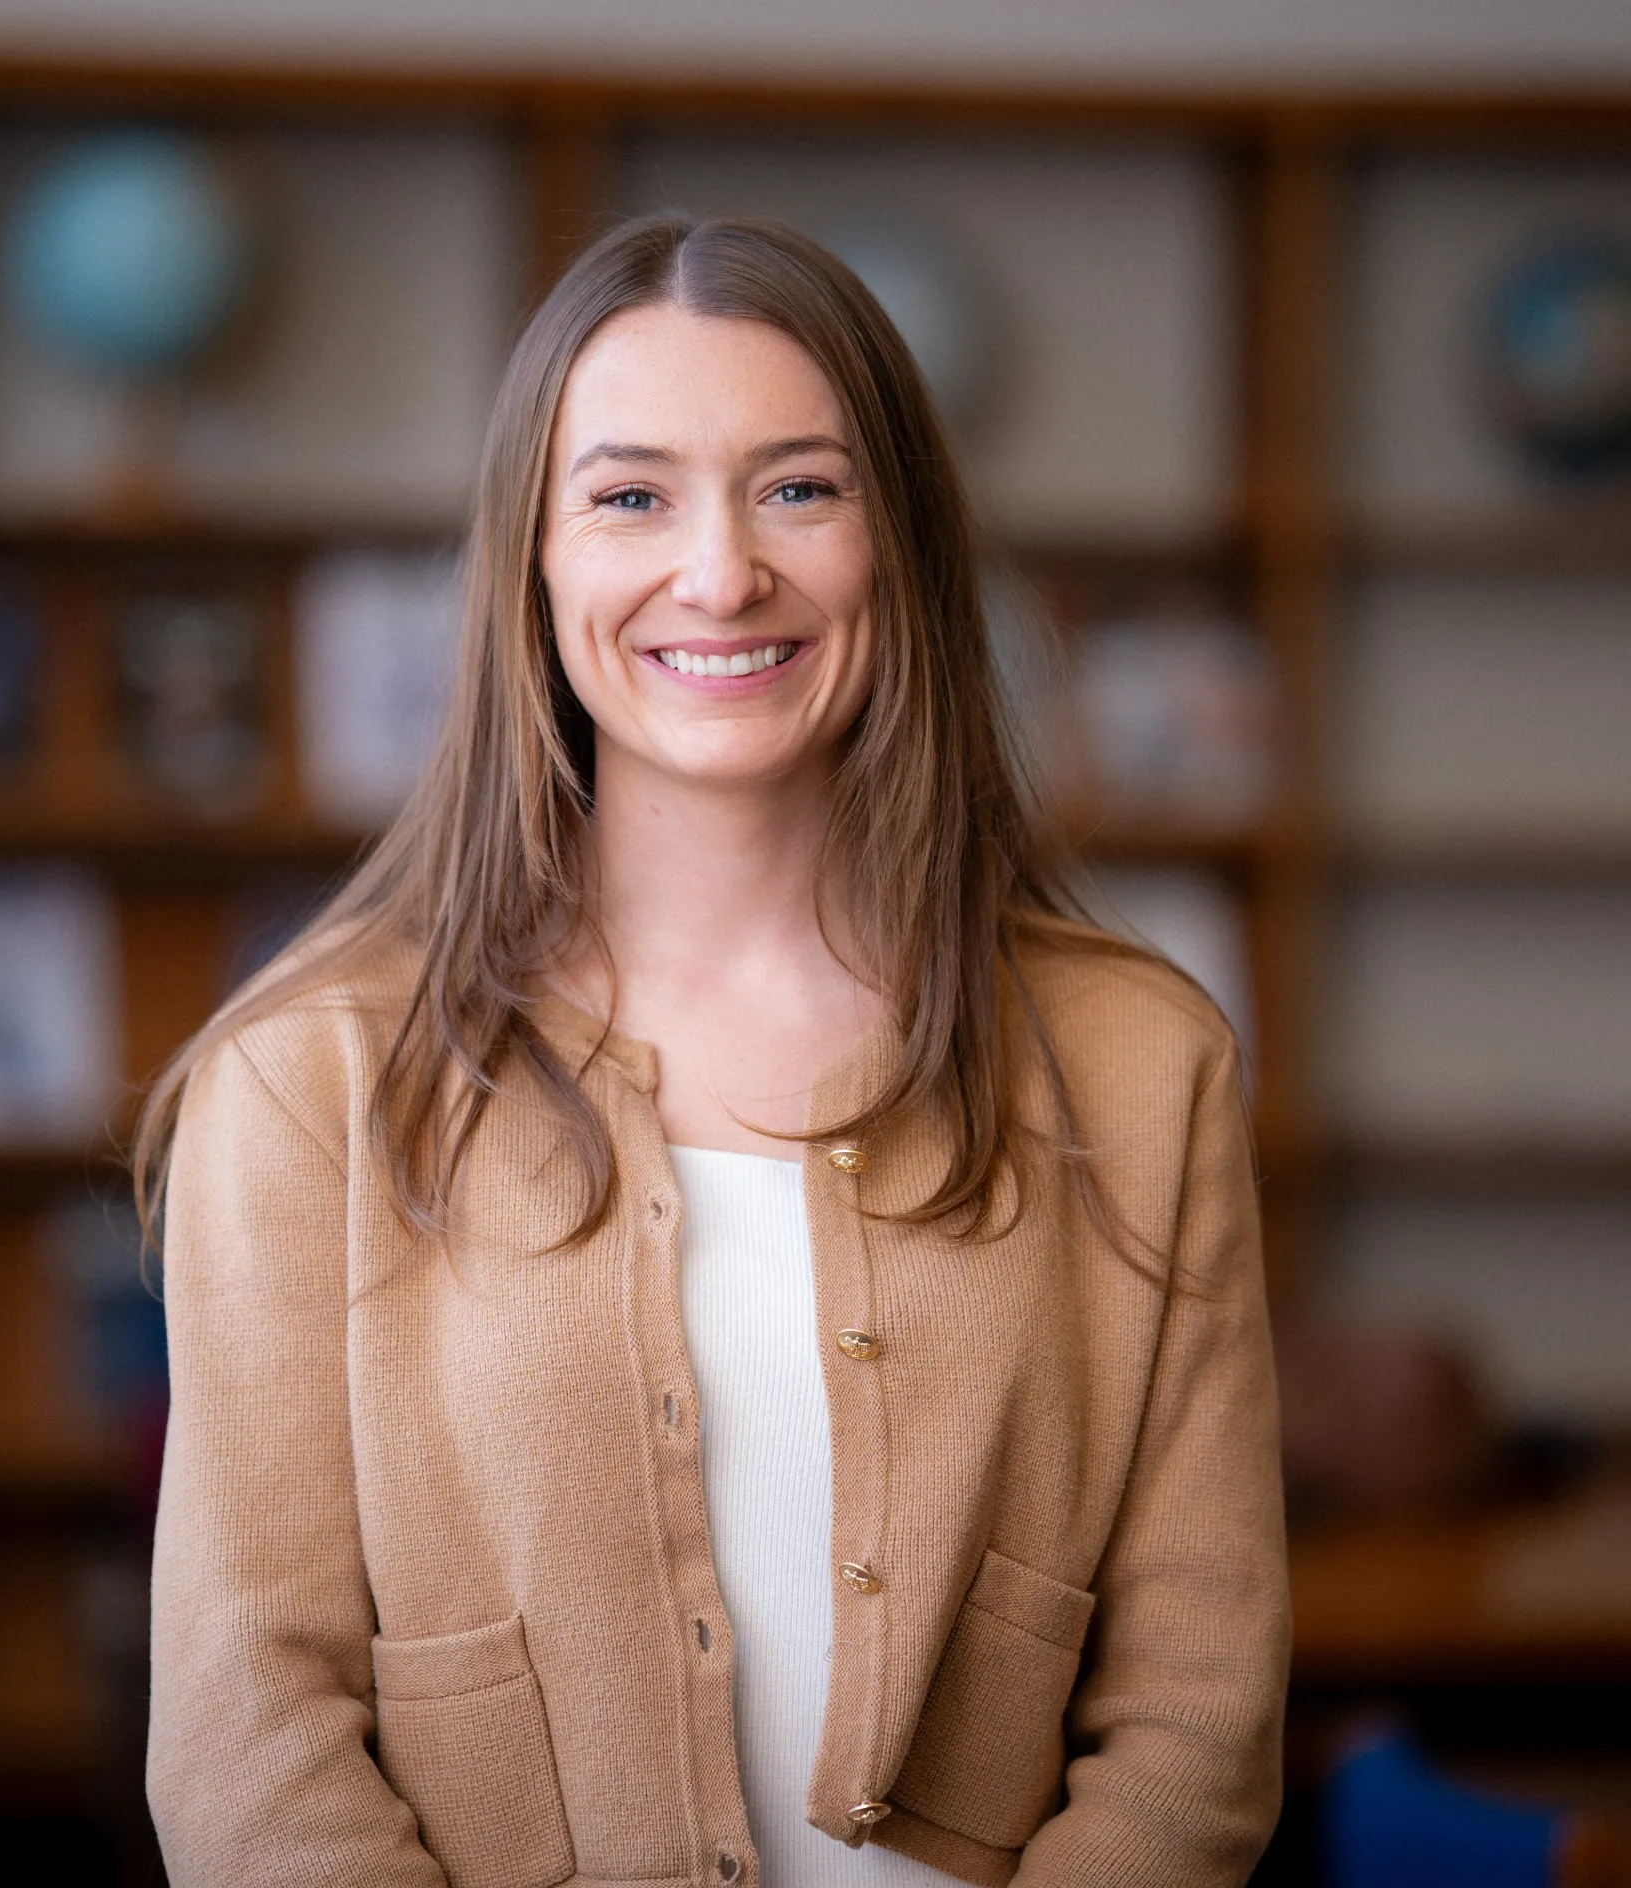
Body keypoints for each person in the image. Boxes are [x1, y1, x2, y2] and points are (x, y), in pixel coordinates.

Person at [140, 214, 1289, 1888]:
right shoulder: (305, 1081)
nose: (720, 572)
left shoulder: (1140, 1060)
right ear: (533, 561)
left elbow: (1198, 1719)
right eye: (629, 496)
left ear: (898, 540)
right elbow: (252, 1737)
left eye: (799, 488)